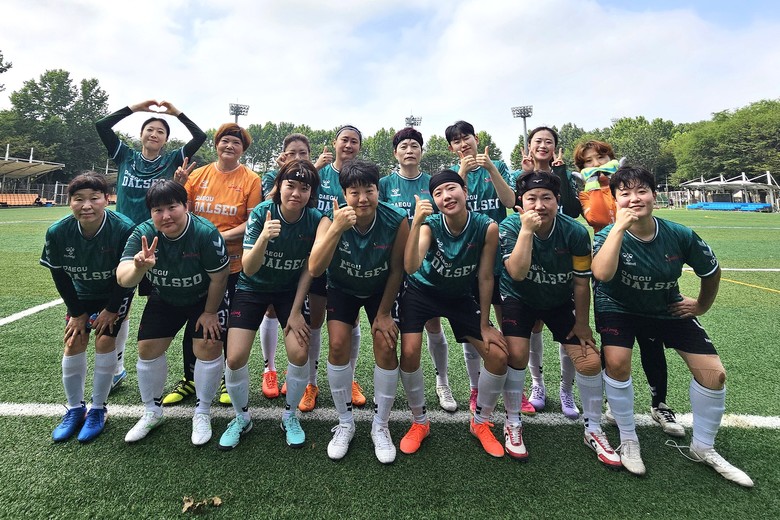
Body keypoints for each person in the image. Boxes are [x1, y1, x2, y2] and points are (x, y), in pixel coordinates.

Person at [591, 166, 753, 487]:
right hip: (618, 307)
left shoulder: (679, 234)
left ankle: (703, 447)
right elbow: (602, 274)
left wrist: (702, 305)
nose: (634, 199)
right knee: (617, 363)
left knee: (714, 374)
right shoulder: (606, 235)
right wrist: (619, 229)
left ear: (654, 195)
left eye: (641, 191)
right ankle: (628, 438)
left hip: (666, 306)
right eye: (625, 194)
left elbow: (711, 271)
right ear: (615, 201)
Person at [498, 170, 620, 466]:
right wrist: (527, 231)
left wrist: (582, 323)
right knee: (515, 354)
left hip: (559, 300)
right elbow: (517, 273)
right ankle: (512, 421)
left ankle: (593, 428)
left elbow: (581, 281)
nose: (539, 205)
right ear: (521, 201)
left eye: (547, 198)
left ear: (557, 201)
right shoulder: (510, 226)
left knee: (589, 361)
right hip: (519, 298)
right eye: (532, 198)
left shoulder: (575, 232)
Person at [573, 140, 682, 438]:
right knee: (614, 344)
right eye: (588, 161)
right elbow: (597, 218)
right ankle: (614, 399)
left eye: (601, 157)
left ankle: (659, 403)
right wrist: (596, 186)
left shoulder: (629, 187)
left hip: (645, 261)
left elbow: (640, 210)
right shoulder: (588, 190)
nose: (596, 164)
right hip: (608, 263)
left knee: (652, 339)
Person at [95, 99, 206, 390]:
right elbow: (102, 126)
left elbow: (200, 136)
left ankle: (184, 370)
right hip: (123, 238)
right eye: (150, 129)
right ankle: (117, 367)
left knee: (158, 301)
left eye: (160, 131)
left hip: (157, 241)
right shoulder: (125, 155)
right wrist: (136, 108)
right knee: (121, 300)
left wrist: (175, 113)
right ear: (141, 134)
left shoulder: (171, 162)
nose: (154, 134)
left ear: (166, 139)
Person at [399, 170, 508, 458]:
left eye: (451, 189)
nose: (446, 196)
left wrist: (484, 324)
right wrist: (417, 222)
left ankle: (480, 422)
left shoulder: (487, 227)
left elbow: (486, 276)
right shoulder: (430, 225)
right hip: (422, 291)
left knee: (498, 356)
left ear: (465, 190)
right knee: (409, 351)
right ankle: (419, 422)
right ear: (434, 200)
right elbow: (410, 267)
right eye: (438, 193)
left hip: (460, 295)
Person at [308, 159, 409, 463]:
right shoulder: (330, 218)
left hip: (380, 290)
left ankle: (381, 425)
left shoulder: (396, 219)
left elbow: (397, 270)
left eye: (369, 190)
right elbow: (315, 268)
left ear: (379, 191)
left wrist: (384, 313)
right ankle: (345, 423)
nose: (363, 198)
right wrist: (336, 229)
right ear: (344, 194)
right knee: (338, 345)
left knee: (386, 346)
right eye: (354, 192)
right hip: (343, 288)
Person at [219, 159, 322, 450]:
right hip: (252, 288)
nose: (296, 193)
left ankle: (290, 417)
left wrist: (296, 310)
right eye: (291, 185)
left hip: (289, 291)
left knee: (299, 354)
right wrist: (264, 236)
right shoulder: (263, 212)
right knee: (235, 358)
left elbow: (309, 269)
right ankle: (241, 418)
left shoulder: (314, 219)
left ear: (311, 193)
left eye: (304, 188)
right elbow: (249, 268)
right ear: (279, 185)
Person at [117, 181, 229, 446]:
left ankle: (202, 412)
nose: (166, 216)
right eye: (158, 210)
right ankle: (152, 412)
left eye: (172, 207)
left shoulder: (205, 233)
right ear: (151, 213)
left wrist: (210, 312)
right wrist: (139, 267)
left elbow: (220, 277)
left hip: (203, 298)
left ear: (185, 206)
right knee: (147, 349)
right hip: (166, 296)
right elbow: (123, 278)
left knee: (208, 344)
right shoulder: (143, 234)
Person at [160, 123, 261, 408]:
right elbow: (180, 211)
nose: (229, 146)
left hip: (232, 266)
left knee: (226, 323)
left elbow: (252, 222)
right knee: (195, 321)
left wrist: (215, 237)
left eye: (236, 143)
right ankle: (190, 378)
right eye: (225, 141)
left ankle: (227, 379)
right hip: (195, 264)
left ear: (243, 150)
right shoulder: (197, 175)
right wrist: (178, 183)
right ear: (216, 145)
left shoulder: (251, 179)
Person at [40, 173, 135, 443]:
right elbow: (59, 275)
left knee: (104, 340)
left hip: (114, 292)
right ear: (69, 201)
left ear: (107, 199)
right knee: (73, 340)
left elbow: (128, 278)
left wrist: (112, 309)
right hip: (81, 294)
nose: (86, 205)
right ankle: (74, 409)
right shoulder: (58, 232)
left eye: (94, 198)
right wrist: (77, 313)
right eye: (78, 199)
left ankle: (98, 409)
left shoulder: (123, 228)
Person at [378, 127, 454, 412]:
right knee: (390, 325)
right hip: (392, 265)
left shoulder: (432, 183)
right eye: (404, 146)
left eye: (414, 146)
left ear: (422, 151)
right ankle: (389, 385)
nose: (409, 150)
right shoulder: (384, 183)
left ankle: (442, 381)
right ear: (395, 153)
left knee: (433, 324)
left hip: (426, 265)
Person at [445, 120, 515, 415]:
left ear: (476, 138)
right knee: (472, 327)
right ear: (452, 148)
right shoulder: (452, 175)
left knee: (508, 323)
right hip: (468, 261)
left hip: (500, 259)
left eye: (467, 138)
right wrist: (461, 173)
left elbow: (510, 200)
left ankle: (515, 388)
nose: (463, 144)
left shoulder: (497, 165)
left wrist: (491, 170)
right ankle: (475, 387)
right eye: (457, 141)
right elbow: (444, 209)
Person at [258, 133, 330, 412]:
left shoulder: (319, 179)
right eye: (292, 153)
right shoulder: (272, 177)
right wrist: (282, 176)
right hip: (281, 254)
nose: (298, 158)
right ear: (283, 155)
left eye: (303, 153)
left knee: (314, 319)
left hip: (312, 253)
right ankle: (269, 369)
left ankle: (309, 381)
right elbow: (270, 203)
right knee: (271, 311)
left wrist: (314, 172)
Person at [516, 126, 581, 418]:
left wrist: (561, 171)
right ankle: (537, 384)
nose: (543, 145)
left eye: (549, 141)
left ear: (556, 147)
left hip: (562, 250)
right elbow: (516, 203)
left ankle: (566, 391)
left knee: (568, 329)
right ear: (529, 145)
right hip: (532, 248)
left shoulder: (564, 174)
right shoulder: (521, 175)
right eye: (538, 141)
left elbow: (573, 209)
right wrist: (525, 173)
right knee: (534, 326)